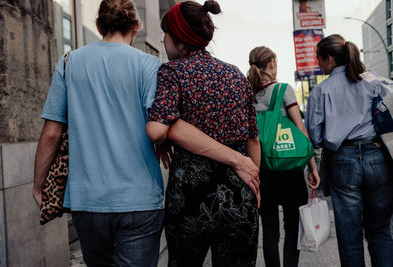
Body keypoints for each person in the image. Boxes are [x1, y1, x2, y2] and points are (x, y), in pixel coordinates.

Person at [32, 0, 165, 266]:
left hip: (87, 200)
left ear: (98, 25)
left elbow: (51, 134)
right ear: (136, 27)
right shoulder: (150, 65)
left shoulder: (70, 62)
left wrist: (39, 185)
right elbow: (159, 128)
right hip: (139, 198)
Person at [145, 1, 261, 266]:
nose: (163, 41)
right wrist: (255, 180)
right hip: (238, 190)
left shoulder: (172, 72)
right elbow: (253, 138)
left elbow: (155, 129)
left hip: (190, 197)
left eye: (166, 33)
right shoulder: (235, 75)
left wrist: (168, 129)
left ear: (178, 38)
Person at [306, 34, 393, 267]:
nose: (319, 65)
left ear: (330, 59)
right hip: (377, 157)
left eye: (319, 60)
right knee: (381, 230)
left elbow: (314, 136)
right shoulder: (372, 80)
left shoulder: (320, 91)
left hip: (342, 160)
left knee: (349, 235)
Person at [247, 46, 320, 267]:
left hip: (261, 170)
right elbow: (301, 130)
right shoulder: (283, 90)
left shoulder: (246, 92)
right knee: (292, 228)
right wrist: (313, 166)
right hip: (289, 169)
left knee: (269, 230)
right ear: (271, 63)